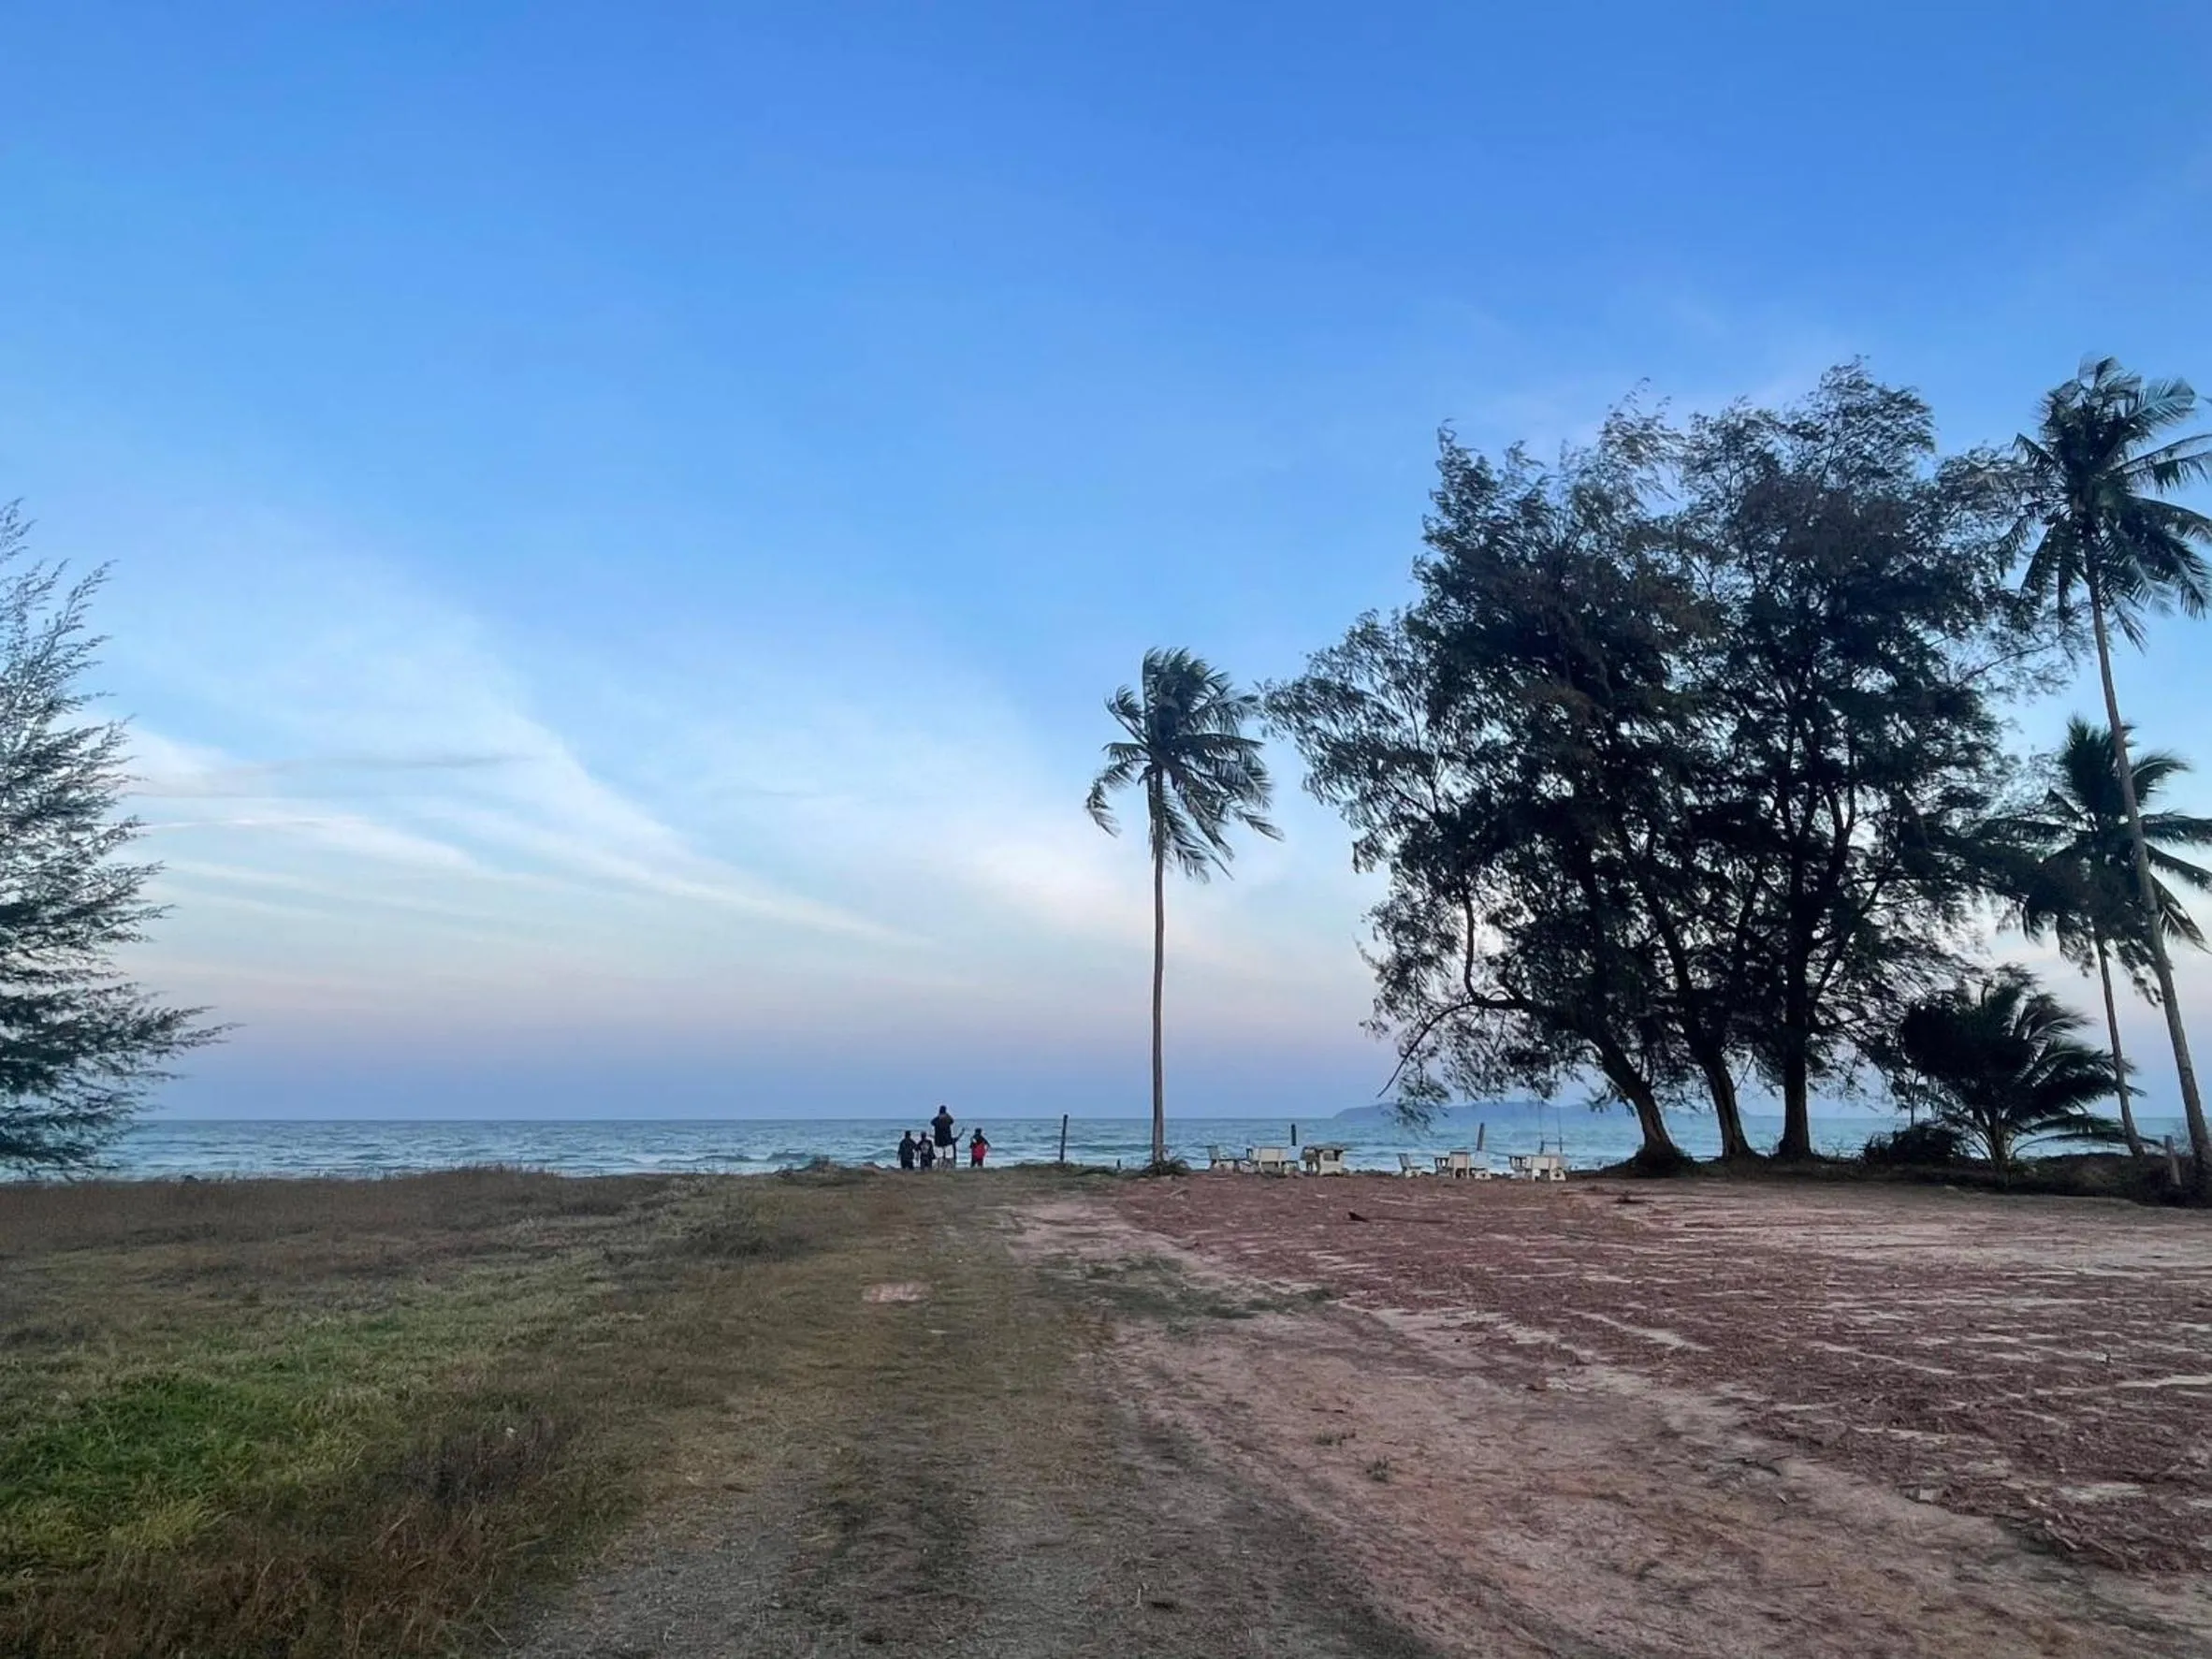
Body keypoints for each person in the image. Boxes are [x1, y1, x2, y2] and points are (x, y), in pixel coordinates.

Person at [931, 1104, 957, 1171]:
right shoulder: (948, 1120)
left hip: (938, 1141)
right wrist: (947, 1115)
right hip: (947, 1141)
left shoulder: (936, 1121)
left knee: (940, 1157)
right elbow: (952, 1120)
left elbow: (932, 1122)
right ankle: (952, 1168)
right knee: (950, 1157)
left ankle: (940, 1169)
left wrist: (938, 1116)